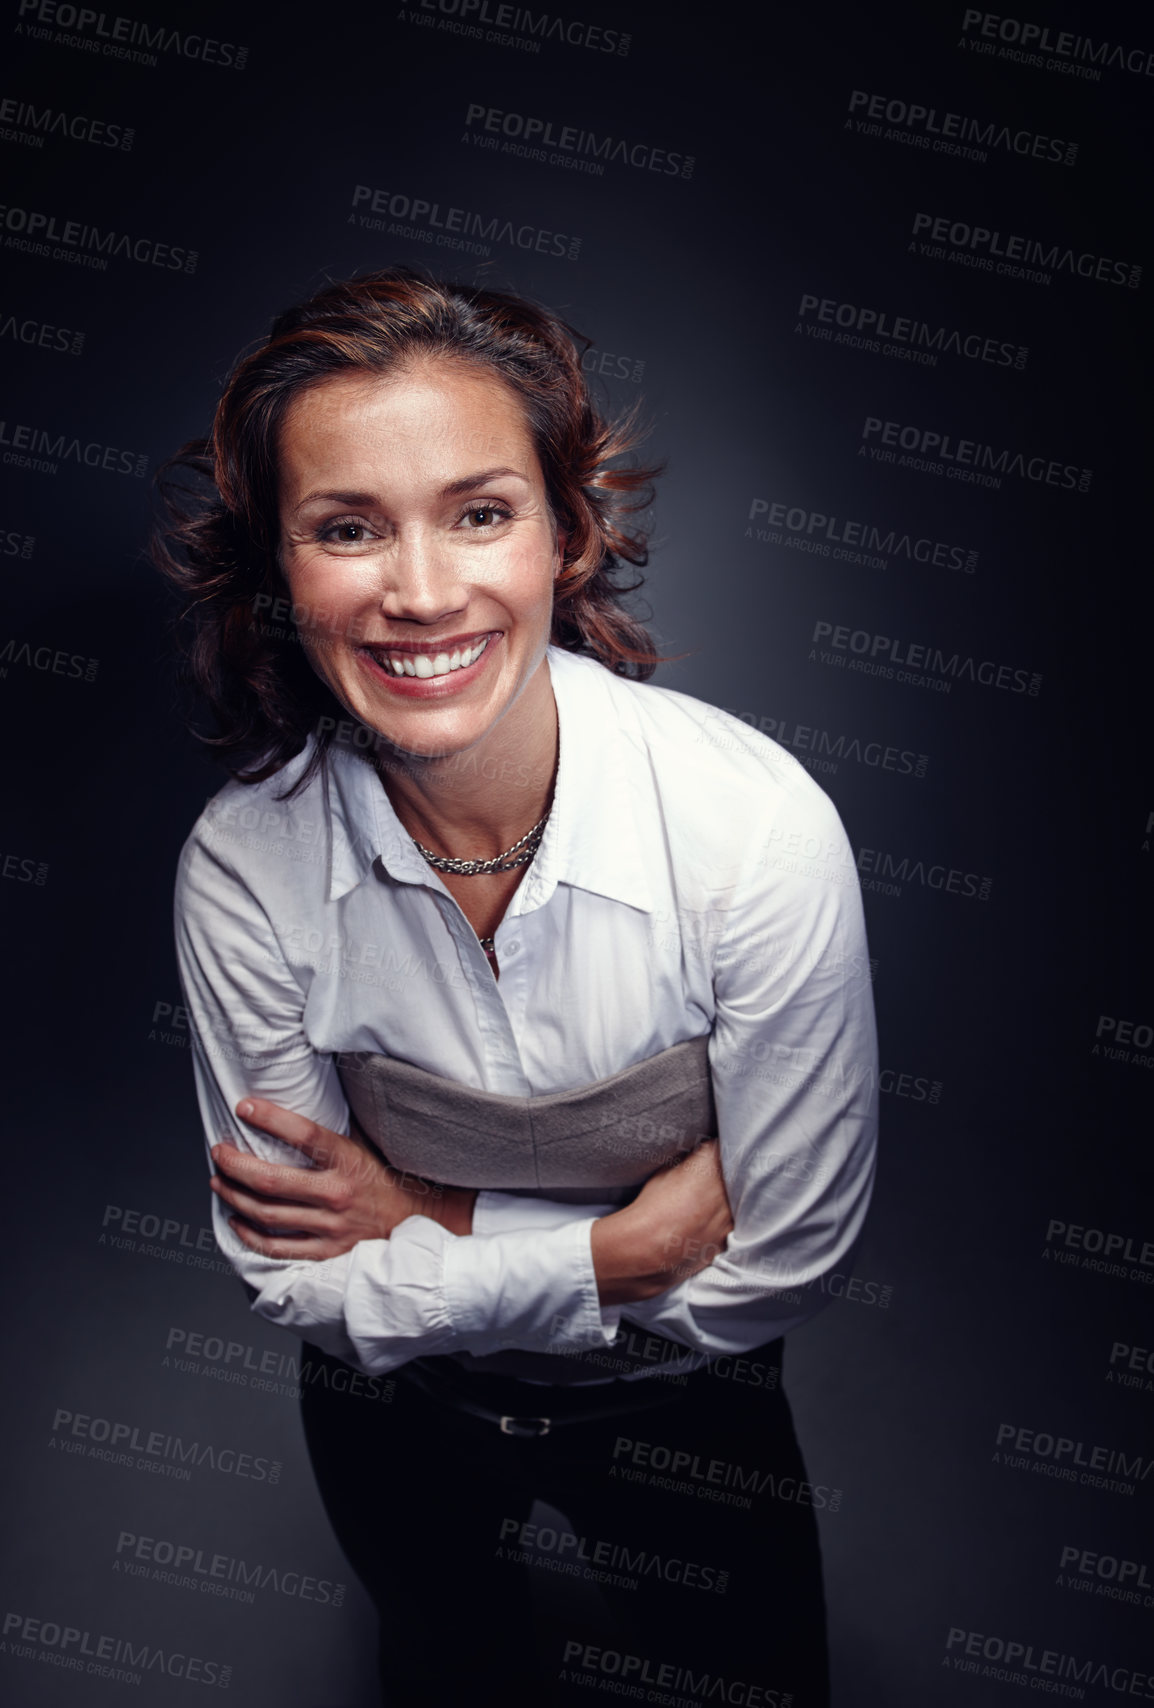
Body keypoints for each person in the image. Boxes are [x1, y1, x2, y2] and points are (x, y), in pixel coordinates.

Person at [154, 265, 878, 1708]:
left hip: (682, 1413)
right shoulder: (245, 865)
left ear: (564, 533)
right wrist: (611, 1255)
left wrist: (416, 1220)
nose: (421, 593)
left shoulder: (751, 827)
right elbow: (286, 1271)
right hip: (392, 1411)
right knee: (446, 1675)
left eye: (479, 512)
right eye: (346, 528)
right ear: (278, 569)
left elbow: (782, 1265)